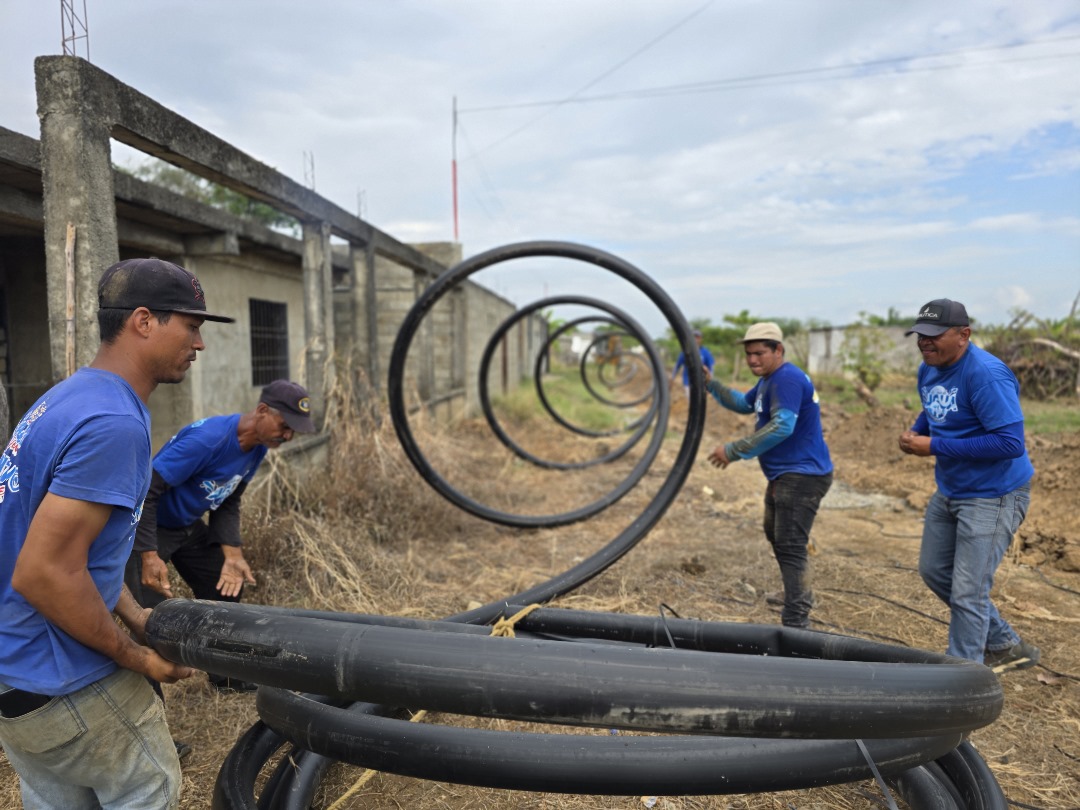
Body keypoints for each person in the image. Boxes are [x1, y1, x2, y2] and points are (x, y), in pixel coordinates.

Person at [0, 257, 233, 809]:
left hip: (14, 673)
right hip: (63, 676)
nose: (199, 344)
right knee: (148, 787)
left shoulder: (69, 397)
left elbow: (79, 554)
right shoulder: (114, 424)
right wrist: (136, 657)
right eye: (191, 326)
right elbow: (45, 573)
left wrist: (136, 615)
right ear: (144, 321)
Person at [125, 379, 316, 692]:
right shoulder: (207, 441)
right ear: (262, 410)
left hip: (186, 524)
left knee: (224, 586)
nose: (288, 436)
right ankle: (148, 704)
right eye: (285, 426)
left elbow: (228, 499)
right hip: (148, 525)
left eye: (294, 431)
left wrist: (233, 554)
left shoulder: (257, 447)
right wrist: (149, 554)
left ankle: (226, 676)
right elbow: (147, 491)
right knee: (149, 616)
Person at [898, 299, 1039, 672]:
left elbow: (1010, 444)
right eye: (920, 335)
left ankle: (963, 680)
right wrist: (917, 431)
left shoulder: (985, 375)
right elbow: (933, 408)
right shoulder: (929, 368)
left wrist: (933, 446)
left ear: (964, 335)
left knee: (968, 594)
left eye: (934, 335)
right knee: (934, 571)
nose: (924, 342)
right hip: (951, 489)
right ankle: (1005, 643)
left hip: (994, 495)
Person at [705, 322, 833, 628]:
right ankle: (798, 592)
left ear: (778, 350)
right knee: (775, 534)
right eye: (749, 354)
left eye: (759, 353)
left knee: (790, 544)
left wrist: (734, 450)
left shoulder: (786, 379)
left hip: (801, 476)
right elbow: (742, 403)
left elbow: (782, 426)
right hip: (785, 475)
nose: (752, 360)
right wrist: (711, 384)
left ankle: (796, 620)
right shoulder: (768, 381)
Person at [670, 329, 716, 397]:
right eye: (694, 337)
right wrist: (672, 378)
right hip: (688, 382)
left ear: (701, 339)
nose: (695, 339)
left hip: (701, 383)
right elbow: (677, 366)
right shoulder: (685, 352)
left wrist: (710, 380)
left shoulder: (705, 352)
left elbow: (711, 367)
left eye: (697, 337)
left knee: (701, 401)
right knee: (692, 399)